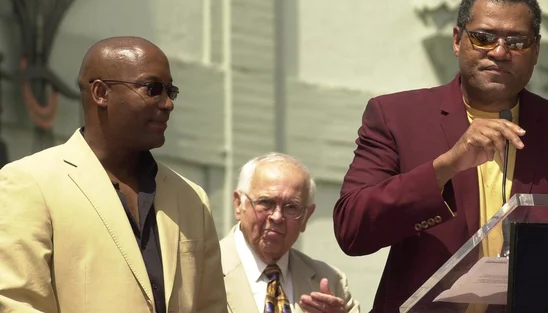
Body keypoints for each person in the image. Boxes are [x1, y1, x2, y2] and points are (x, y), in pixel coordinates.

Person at [333, 0, 548, 312]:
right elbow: (352, 230)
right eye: (484, 38)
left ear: (536, 50)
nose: (499, 52)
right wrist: (445, 167)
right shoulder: (396, 118)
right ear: (458, 40)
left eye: (516, 42)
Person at [0, 37, 227, 313]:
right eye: (153, 88)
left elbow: (211, 307)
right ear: (100, 93)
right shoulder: (30, 183)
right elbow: (16, 303)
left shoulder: (192, 199)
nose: (168, 104)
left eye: (171, 91)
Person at [220, 153, 360, 313]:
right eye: (265, 202)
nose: (277, 217)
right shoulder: (201, 271)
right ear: (239, 204)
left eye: (291, 207)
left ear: (306, 216)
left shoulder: (332, 283)